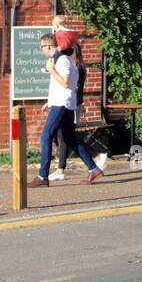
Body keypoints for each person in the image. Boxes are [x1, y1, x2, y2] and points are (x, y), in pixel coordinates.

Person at [30, 33, 102, 187]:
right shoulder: (61, 60)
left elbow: (64, 83)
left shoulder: (62, 60)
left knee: (46, 136)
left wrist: (51, 70)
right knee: (70, 139)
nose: (41, 49)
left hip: (62, 104)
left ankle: (43, 177)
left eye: (41, 47)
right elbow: (60, 86)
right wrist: (49, 101)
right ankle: (93, 169)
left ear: (48, 46)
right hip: (63, 103)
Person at [47, 36, 107, 180]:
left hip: (71, 105)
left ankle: (95, 156)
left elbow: (72, 88)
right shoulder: (73, 66)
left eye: (67, 51)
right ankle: (92, 163)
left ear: (73, 51)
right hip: (69, 103)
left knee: (65, 138)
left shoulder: (76, 67)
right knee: (67, 138)